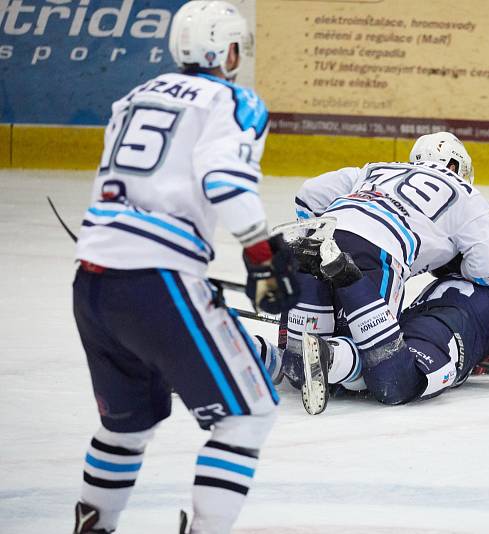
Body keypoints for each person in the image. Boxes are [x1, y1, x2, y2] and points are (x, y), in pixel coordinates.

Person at [70, 2, 298, 533]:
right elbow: (224, 181)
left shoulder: (131, 98)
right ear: (228, 50)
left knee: (126, 427)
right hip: (157, 283)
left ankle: (92, 527)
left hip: (91, 281)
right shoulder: (233, 99)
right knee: (248, 414)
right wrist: (261, 256)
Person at [284, 132, 489, 413]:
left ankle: (264, 349)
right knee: (374, 366)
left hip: (328, 233)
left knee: (298, 368)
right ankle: (333, 350)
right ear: (455, 165)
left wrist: (314, 230)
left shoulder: (376, 169)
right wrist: (456, 265)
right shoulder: (463, 192)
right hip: (378, 250)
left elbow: (308, 195)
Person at [299, 234, 489, 409]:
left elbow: (485, 330)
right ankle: (330, 356)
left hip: (407, 330)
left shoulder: (448, 280)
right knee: (397, 383)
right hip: (438, 344)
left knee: (373, 371)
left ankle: (320, 356)